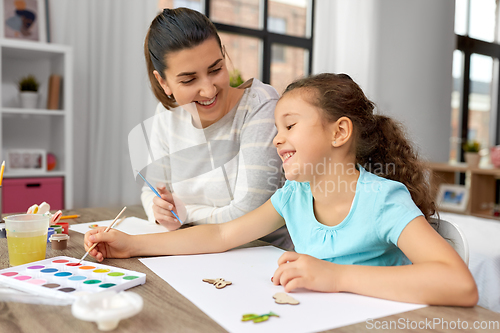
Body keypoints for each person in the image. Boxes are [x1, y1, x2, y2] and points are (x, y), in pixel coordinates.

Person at [86, 73, 478, 306]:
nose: (277, 139)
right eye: (276, 128)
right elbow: (223, 234)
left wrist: (335, 276)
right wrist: (132, 245)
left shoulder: (382, 199)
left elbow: (459, 285)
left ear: (340, 132)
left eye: (289, 126)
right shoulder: (295, 195)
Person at [140, 7, 291, 248]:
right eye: (189, 80)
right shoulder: (166, 116)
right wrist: (160, 210)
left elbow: (246, 215)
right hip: (193, 254)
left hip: (259, 256)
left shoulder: (259, 106)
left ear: (223, 54)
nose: (209, 90)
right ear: (163, 82)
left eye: (216, 69)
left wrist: (184, 214)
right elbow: (151, 192)